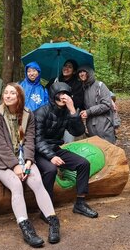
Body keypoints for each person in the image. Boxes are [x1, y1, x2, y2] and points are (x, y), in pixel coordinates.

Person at [0, 83, 60, 247]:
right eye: (6, 92)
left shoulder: (27, 114)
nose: (8, 96)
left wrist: (28, 161)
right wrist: (15, 166)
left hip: (23, 157)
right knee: (16, 185)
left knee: (37, 182)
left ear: (19, 96)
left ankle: (53, 221)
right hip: (3, 161)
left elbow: (28, 140)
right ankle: (26, 227)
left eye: (12, 93)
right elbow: (0, 145)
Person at [34, 82, 98, 218]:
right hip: (39, 151)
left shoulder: (66, 112)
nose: (64, 97)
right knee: (50, 170)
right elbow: (36, 140)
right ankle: (46, 210)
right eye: (60, 94)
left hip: (55, 149)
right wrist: (51, 156)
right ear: (53, 95)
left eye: (66, 94)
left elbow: (78, 131)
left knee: (83, 164)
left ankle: (80, 203)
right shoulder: (41, 112)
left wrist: (73, 111)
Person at [47, 59, 84, 142]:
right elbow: (46, 94)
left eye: (70, 67)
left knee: (68, 143)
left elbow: (79, 102)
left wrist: (67, 97)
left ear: (74, 71)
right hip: (54, 117)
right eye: (65, 66)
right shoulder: (55, 80)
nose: (66, 68)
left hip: (68, 119)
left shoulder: (77, 84)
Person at [77, 65, 117, 144]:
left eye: (84, 71)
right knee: (97, 149)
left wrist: (88, 112)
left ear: (89, 73)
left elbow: (106, 104)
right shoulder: (83, 88)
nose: (81, 74)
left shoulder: (100, 85)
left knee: (108, 148)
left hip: (104, 123)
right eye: (79, 72)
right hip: (90, 124)